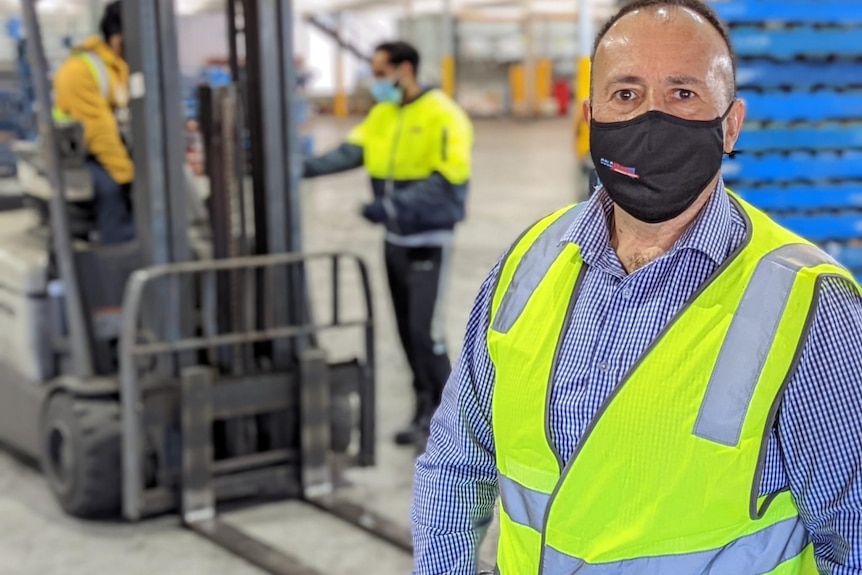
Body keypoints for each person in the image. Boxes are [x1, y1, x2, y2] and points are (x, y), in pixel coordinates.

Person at [411, 1, 862, 573]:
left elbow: (853, 536)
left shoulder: (812, 307)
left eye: (683, 94)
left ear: (731, 124)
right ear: (589, 115)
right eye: (625, 95)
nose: (651, 120)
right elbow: (457, 459)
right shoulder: (530, 260)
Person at [303, 41, 474, 449]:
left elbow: (450, 185)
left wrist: (392, 206)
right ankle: (423, 412)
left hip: (428, 241)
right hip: (394, 241)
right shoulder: (384, 115)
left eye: (380, 72)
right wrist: (293, 166)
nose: (375, 80)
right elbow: (349, 152)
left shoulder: (444, 115)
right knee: (404, 333)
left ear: (405, 69)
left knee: (425, 333)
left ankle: (451, 420)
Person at [53, 0, 134, 244]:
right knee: (111, 191)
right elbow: (98, 130)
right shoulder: (80, 69)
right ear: (118, 39)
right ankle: (117, 254)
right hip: (78, 156)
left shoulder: (118, 67)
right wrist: (126, 175)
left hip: (104, 151)